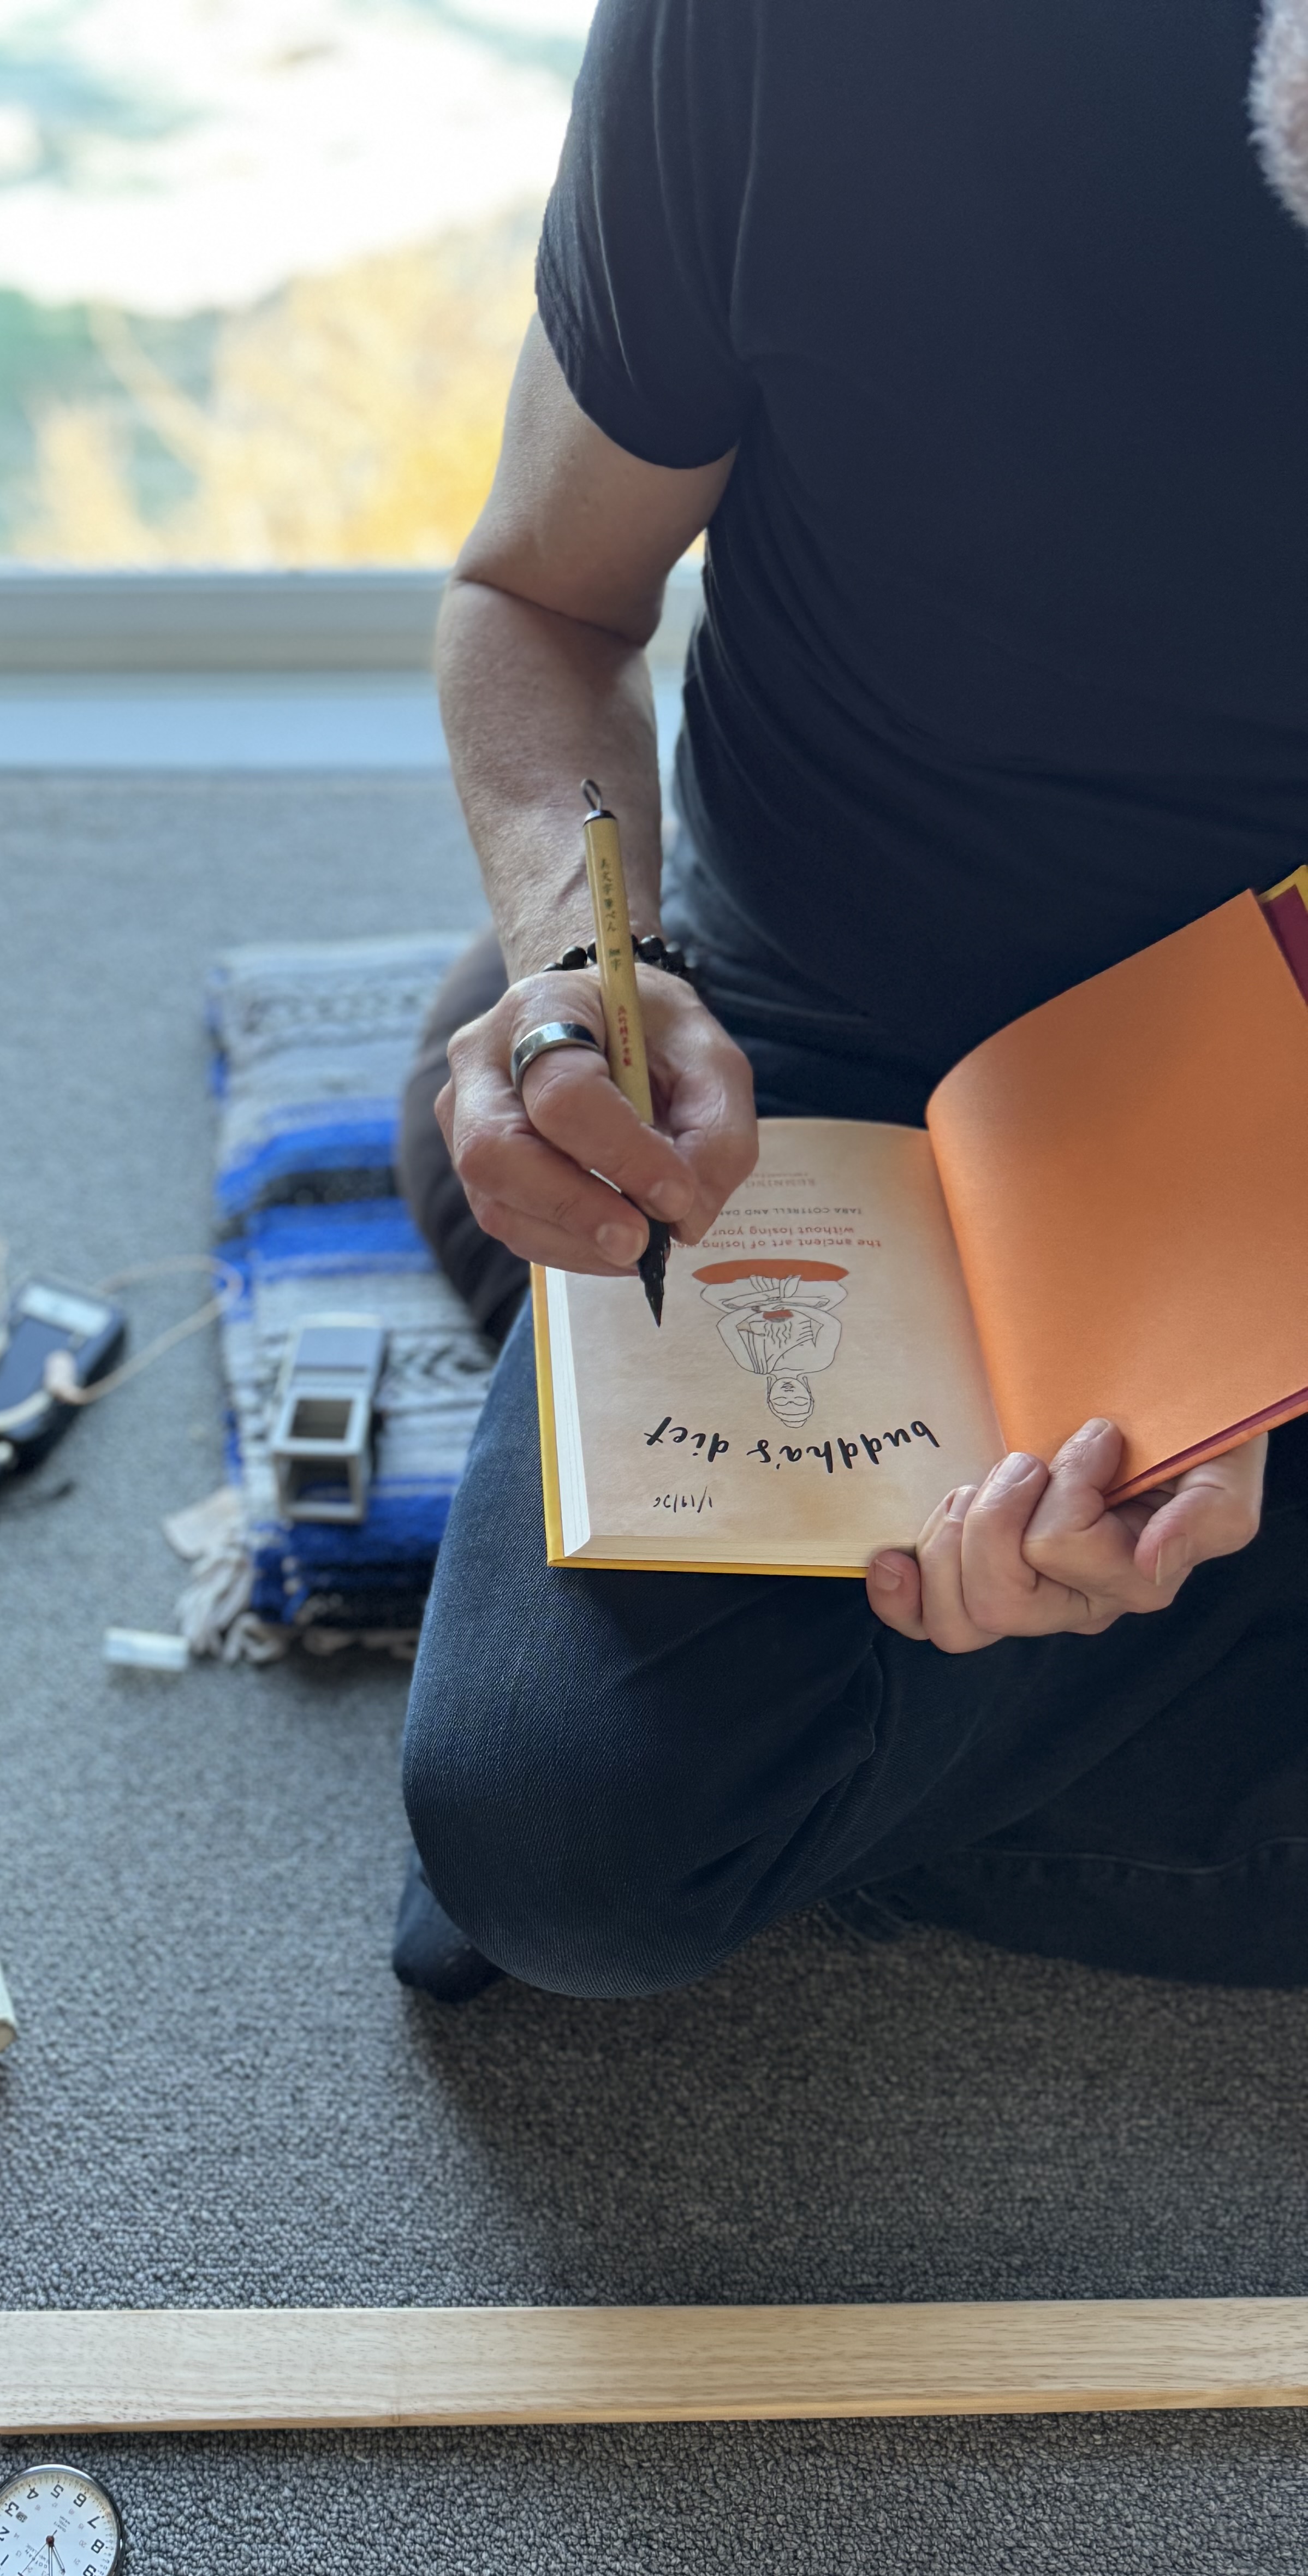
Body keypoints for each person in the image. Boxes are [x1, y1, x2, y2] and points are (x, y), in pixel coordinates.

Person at [395, 0, 1308, 2001]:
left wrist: (1242, 1309)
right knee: (555, 1843)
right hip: (837, 1003)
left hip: (1290, 1060)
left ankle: (894, 1688)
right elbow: (539, 596)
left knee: (616, 1827)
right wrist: (586, 964)